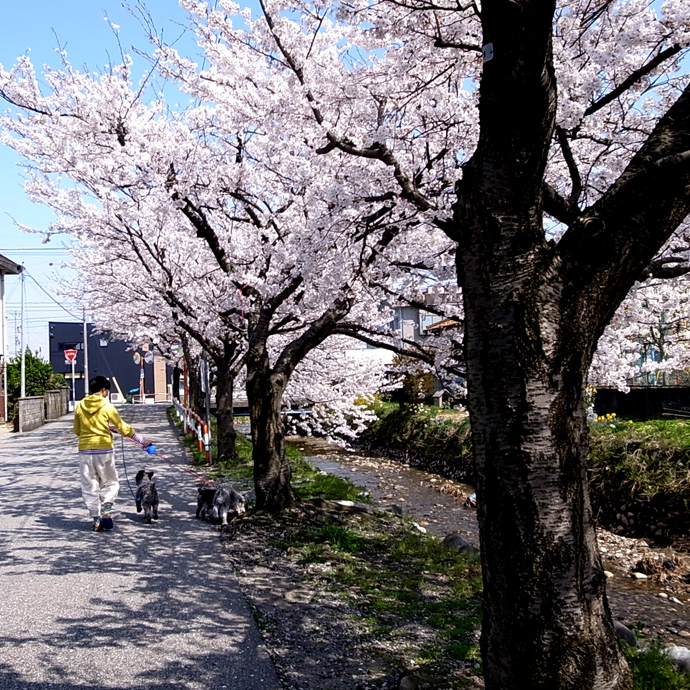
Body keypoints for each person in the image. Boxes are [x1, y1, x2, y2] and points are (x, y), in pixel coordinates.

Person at [74, 375, 151, 531]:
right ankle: (106, 511)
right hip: (104, 450)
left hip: (85, 450)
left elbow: (77, 430)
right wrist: (142, 441)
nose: (107, 394)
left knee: (90, 485)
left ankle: (96, 520)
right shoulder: (107, 406)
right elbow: (123, 428)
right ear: (103, 390)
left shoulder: (80, 405)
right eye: (107, 391)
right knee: (111, 482)